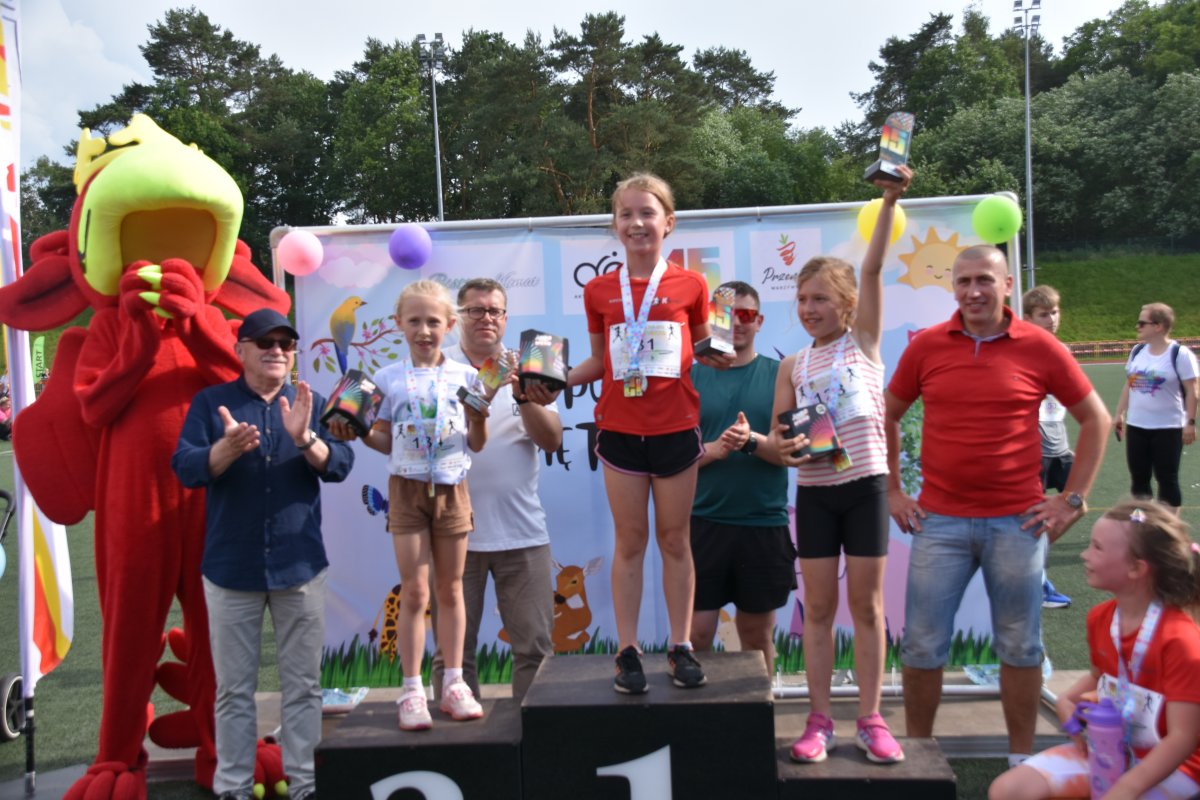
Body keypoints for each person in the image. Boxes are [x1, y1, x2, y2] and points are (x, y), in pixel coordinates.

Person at [886, 245, 1110, 768]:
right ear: (953, 287)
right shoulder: (927, 346)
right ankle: (920, 756)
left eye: (984, 279)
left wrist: (1072, 499)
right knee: (922, 647)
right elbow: (888, 414)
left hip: (1017, 523)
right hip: (939, 522)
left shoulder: (1039, 345)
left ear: (1007, 285)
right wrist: (893, 491)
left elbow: (1095, 419)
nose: (973, 291)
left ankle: (1019, 758)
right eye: (963, 281)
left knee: (1020, 646)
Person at [173, 307, 355, 800]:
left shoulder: (311, 403)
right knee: (234, 690)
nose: (277, 350)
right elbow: (185, 467)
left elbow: (340, 464)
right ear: (241, 350)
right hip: (232, 569)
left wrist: (305, 438)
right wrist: (226, 449)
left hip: (301, 566)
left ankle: (305, 784)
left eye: (285, 343)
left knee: (303, 687)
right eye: (265, 342)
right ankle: (232, 787)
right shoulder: (212, 403)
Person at [567, 172, 730, 694]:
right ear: (615, 225)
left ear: (668, 223)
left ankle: (680, 646)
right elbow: (599, 360)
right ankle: (628, 651)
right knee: (631, 541)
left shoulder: (692, 285)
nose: (636, 223)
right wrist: (553, 380)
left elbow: (707, 349)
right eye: (626, 214)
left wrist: (722, 352)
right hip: (620, 431)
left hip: (676, 429)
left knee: (675, 540)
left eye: (647, 213)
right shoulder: (598, 290)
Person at [774, 167, 910, 765]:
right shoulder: (793, 365)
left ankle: (872, 720)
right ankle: (819, 720)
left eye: (820, 299)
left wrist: (889, 201)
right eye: (803, 300)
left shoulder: (865, 343)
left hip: (867, 489)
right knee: (820, 611)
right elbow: (780, 435)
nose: (809, 309)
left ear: (849, 304)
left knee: (868, 607)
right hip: (816, 494)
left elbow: (873, 268)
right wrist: (783, 445)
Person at [329, 280, 490, 730]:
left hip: (453, 489)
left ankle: (454, 683)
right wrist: (360, 430)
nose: (424, 330)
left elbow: (477, 442)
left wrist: (478, 417)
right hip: (405, 491)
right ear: (398, 323)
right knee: (415, 592)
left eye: (433, 322)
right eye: (414, 321)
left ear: (450, 325)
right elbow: (383, 440)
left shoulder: (467, 378)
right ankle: (413, 690)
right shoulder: (385, 379)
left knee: (451, 589)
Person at [989, 500, 1200, 800]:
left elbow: (1183, 738)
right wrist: (1067, 700)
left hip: (1178, 766)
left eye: (1097, 548)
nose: (1084, 554)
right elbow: (1101, 676)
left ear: (1136, 568)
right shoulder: (1101, 618)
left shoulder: (1181, 640)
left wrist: (1127, 788)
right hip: (1113, 747)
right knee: (1009, 790)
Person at [430, 277, 562, 701]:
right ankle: (458, 738)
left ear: (506, 319)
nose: (486, 318)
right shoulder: (437, 367)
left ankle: (533, 737)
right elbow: (433, 440)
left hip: (523, 534)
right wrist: (485, 389)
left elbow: (552, 441)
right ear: (458, 318)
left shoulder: (531, 365)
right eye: (475, 310)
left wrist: (524, 397)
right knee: (452, 656)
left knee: (535, 650)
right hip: (454, 534)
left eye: (494, 311)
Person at [688, 281, 793, 673]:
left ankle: (759, 709)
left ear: (759, 321)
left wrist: (750, 441)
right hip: (702, 521)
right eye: (724, 315)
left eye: (745, 315)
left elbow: (791, 454)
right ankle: (696, 708)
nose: (736, 323)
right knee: (696, 634)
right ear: (710, 321)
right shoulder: (691, 377)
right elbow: (671, 459)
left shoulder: (780, 374)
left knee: (756, 635)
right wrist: (714, 450)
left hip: (763, 522)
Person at [1113, 302, 1198, 516]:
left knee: (1167, 479)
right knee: (1139, 479)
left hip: (1168, 428)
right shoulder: (1137, 351)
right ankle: (1142, 525)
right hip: (1137, 426)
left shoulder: (1180, 354)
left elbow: (1192, 391)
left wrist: (1190, 422)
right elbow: (1129, 384)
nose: (1137, 326)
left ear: (1158, 326)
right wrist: (1119, 413)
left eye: (1142, 323)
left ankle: (1168, 528)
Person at [1022, 284, 1074, 609]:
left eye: (1054, 312)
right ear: (1028, 318)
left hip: (1059, 442)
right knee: (1035, 517)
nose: (1051, 319)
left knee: (1077, 503)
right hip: (1035, 447)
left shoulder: (1062, 350)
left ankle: (1028, 562)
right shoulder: (1024, 350)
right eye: (1043, 314)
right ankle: (1035, 579)